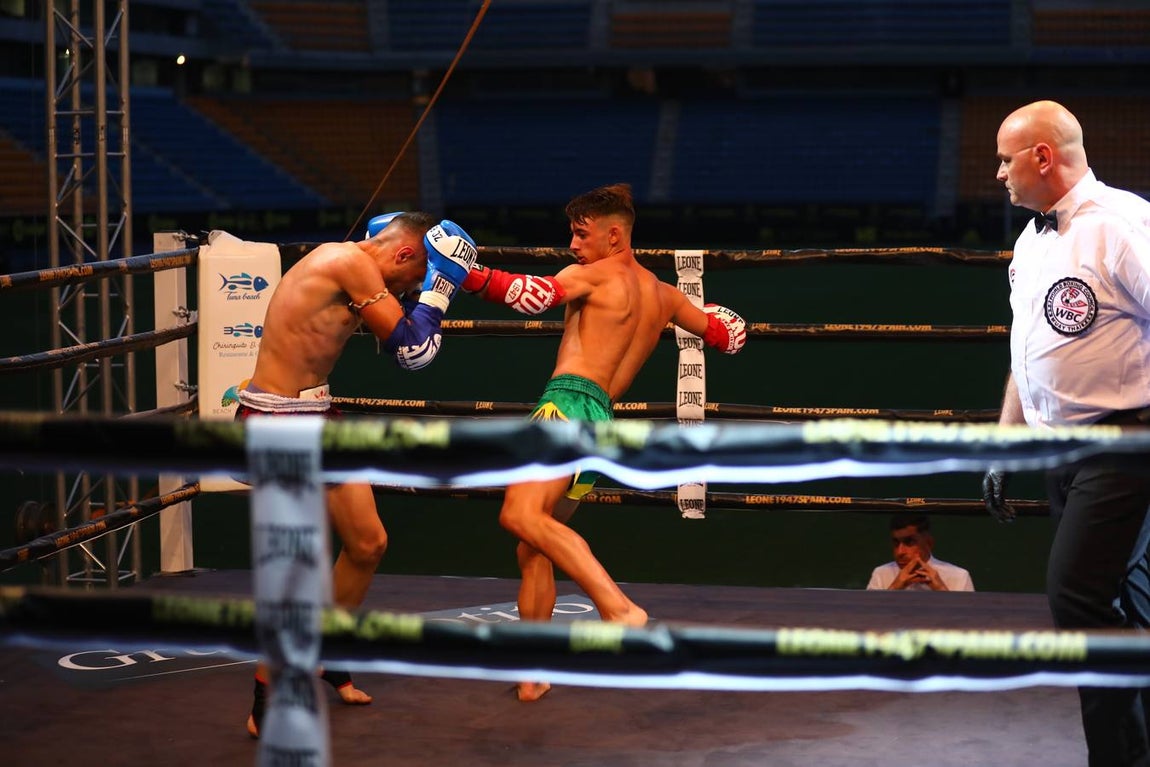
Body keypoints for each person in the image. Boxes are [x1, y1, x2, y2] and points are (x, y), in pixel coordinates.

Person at [460, 182, 747, 701]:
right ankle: (533, 667)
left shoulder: (587, 276)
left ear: (614, 235)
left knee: (519, 517)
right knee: (535, 544)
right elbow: (724, 336)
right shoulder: (665, 295)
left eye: (581, 233)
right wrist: (730, 323)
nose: (573, 244)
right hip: (601, 423)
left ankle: (618, 608)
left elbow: (533, 296)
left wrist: (466, 272)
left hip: (565, 406)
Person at [235, 211, 478, 736]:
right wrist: (441, 288)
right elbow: (414, 353)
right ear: (405, 255)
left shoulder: (358, 262)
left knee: (367, 544)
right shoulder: (349, 263)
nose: (410, 288)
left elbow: (402, 319)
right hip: (276, 422)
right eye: (413, 276)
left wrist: (428, 285)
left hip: (315, 415)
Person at [982, 99, 1150, 765]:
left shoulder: (1122, 225)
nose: (998, 173)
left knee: (1075, 595)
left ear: (1042, 157)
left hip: (1122, 442)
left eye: (1005, 158)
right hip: (1062, 454)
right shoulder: (1030, 242)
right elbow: (1026, 356)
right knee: (1118, 599)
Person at [866, 513, 974, 591]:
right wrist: (894, 588)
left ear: (929, 543)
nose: (900, 552)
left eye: (909, 542)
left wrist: (941, 590)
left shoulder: (959, 576)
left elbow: (971, 621)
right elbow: (867, 620)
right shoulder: (881, 574)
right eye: (896, 543)